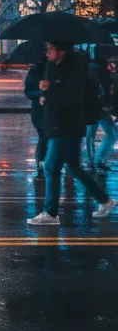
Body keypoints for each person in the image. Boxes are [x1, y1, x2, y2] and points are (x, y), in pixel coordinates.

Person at [28, 40, 115, 227]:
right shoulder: (56, 68)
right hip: (61, 125)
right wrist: (46, 91)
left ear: (62, 51)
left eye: (51, 48)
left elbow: (69, 98)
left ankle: (50, 213)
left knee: (51, 167)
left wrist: (47, 91)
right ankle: (105, 200)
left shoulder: (73, 71)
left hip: (66, 126)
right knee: (74, 168)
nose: (48, 52)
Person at [85, 56, 116, 170]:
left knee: (91, 135)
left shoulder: (94, 72)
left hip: (95, 109)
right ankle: (96, 159)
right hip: (100, 109)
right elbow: (103, 90)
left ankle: (92, 160)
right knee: (111, 133)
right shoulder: (101, 72)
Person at [23, 50, 48, 173]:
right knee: (44, 138)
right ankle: (41, 167)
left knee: (47, 140)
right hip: (40, 112)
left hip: (54, 112)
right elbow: (28, 92)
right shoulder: (35, 72)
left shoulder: (60, 71)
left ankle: (45, 167)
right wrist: (41, 93)